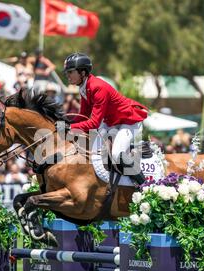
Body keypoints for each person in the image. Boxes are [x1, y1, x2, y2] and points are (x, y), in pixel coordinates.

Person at [63, 53, 148, 186]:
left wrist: (70, 128)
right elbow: (84, 115)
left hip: (128, 121)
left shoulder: (98, 87)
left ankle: (145, 186)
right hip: (111, 123)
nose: (67, 75)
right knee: (91, 152)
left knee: (116, 154)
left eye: (70, 72)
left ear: (83, 72)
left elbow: (94, 123)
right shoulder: (83, 87)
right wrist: (65, 124)